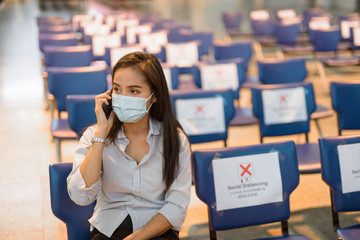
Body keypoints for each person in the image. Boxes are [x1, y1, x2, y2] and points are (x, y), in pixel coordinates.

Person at [67, 52, 192, 240]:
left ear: (154, 96)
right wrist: (101, 135)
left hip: (157, 228)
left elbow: (177, 205)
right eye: (117, 89)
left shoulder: (175, 140)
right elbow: (80, 196)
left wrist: (136, 238)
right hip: (109, 227)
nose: (123, 97)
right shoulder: (94, 135)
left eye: (134, 91)